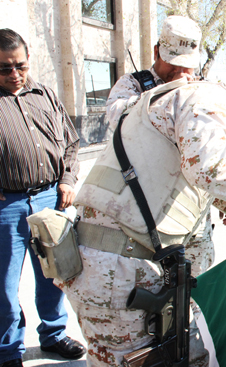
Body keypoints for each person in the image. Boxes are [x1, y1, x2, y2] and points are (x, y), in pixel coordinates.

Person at [57, 76, 226, 367]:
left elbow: (219, 191)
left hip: (134, 267)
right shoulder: (207, 97)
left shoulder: (196, 129)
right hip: (115, 272)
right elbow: (212, 170)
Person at [0, 29, 85, 367]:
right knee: (5, 287)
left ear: (28, 57)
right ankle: (8, 350)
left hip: (52, 199)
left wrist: (66, 180)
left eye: (20, 65)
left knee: (55, 274)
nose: (14, 74)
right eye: (4, 68)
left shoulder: (46, 94)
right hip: (8, 207)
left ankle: (53, 334)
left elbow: (70, 143)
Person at [106, 16, 214, 278]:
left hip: (193, 209)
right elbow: (117, 119)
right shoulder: (132, 85)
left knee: (198, 285)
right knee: (154, 286)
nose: (181, 72)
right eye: (173, 63)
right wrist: (168, 93)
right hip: (148, 212)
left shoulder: (201, 88)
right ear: (157, 51)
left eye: (187, 66)